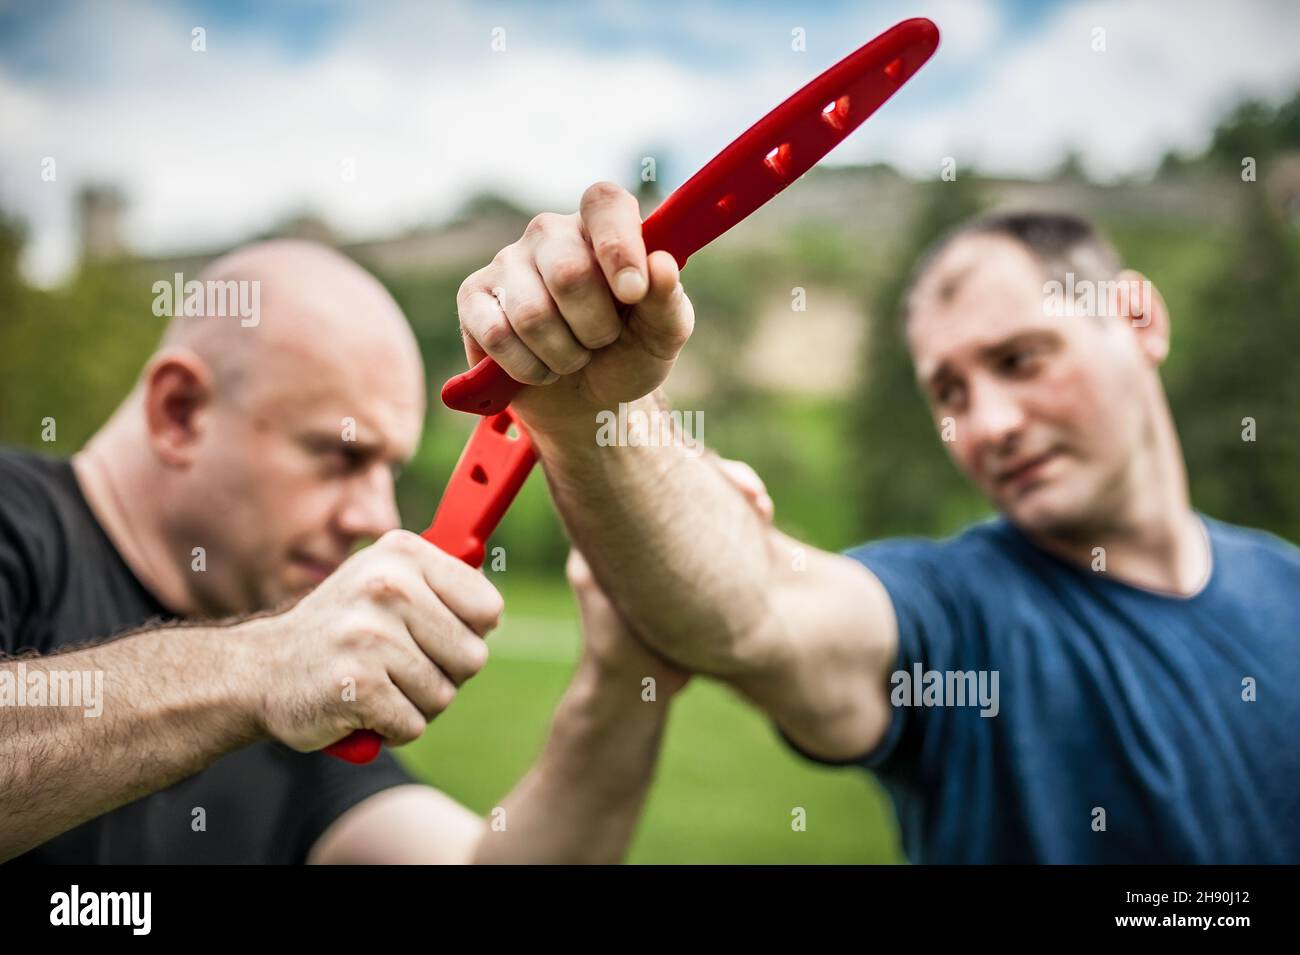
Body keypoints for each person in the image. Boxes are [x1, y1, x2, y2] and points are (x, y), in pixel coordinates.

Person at [455, 181, 1300, 863]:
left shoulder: (1288, 589)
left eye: (1020, 360)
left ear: (1136, 318)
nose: (990, 424)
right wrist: (599, 414)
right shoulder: (956, 614)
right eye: (950, 392)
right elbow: (752, 610)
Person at [0, 239, 691, 864]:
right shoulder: (17, 517)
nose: (379, 518)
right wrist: (261, 667)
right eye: (340, 454)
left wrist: (619, 684)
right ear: (180, 411)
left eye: (388, 471)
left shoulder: (294, 670)